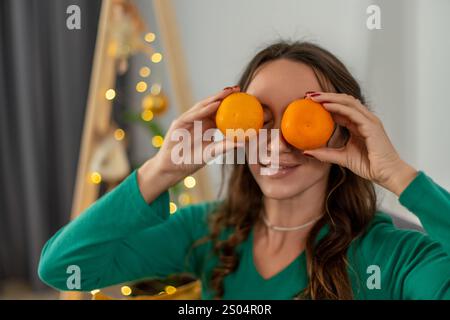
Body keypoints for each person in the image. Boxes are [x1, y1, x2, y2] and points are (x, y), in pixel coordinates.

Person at [38, 41, 450, 299]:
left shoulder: (390, 255)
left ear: (343, 133)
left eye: (301, 121)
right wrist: (161, 171)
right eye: (260, 119)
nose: (275, 143)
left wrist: (399, 176)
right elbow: (64, 268)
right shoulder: (208, 231)